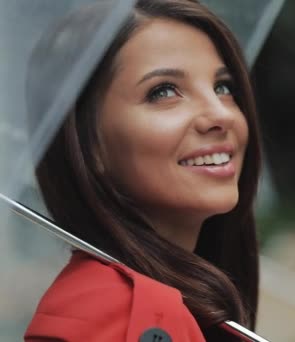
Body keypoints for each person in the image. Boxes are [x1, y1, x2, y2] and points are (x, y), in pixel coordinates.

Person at [23, 0, 262, 341]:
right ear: (88, 147)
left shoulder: (154, 300)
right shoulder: (126, 314)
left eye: (223, 87)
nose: (221, 115)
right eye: (163, 91)